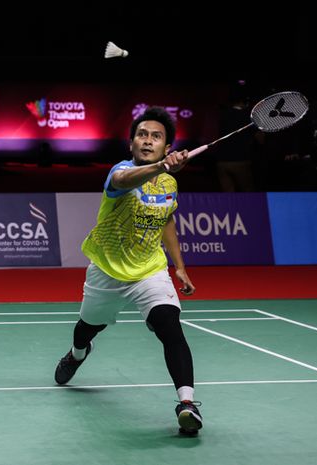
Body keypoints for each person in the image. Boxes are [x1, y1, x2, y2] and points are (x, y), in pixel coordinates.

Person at [53, 107, 203, 435]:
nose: (148, 140)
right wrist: (160, 166)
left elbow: (166, 220)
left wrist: (179, 266)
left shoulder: (169, 183)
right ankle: (77, 355)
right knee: (87, 329)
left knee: (169, 325)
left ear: (167, 146)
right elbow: (122, 181)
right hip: (107, 270)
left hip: (149, 270)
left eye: (156, 136)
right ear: (131, 144)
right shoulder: (120, 172)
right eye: (142, 135)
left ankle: (187, 404)